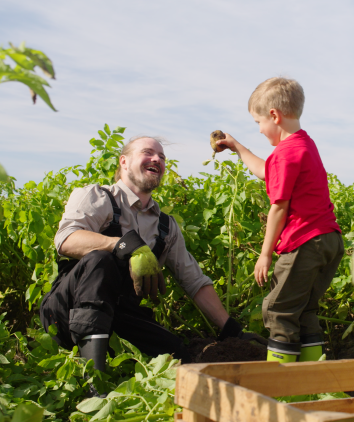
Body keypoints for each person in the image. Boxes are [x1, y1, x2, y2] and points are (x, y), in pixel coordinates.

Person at [39, 135, 261, 377]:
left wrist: (231, 329)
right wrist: (123, 245)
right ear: (124, 161)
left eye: (162, 157)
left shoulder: (164, 227)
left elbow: (194, 281)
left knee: (176, 354)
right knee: (99, 260)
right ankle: (94, 382)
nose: (157, 159)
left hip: (119, 314)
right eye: (148, 153)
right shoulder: (99, 197)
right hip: (65, 313)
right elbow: (65, 240)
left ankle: (111, 359)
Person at [216, 77, 344, 363]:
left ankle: (281, 392)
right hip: (328, 240)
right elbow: (266, 171)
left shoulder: (286, 154)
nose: (260, 130)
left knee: (278, 310)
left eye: (258, 122)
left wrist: (264, 255)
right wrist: (238, 147)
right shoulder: (303, 144)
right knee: (304, 311)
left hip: (305, 242)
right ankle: (311, 386)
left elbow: (278, 208)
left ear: (274, 115)